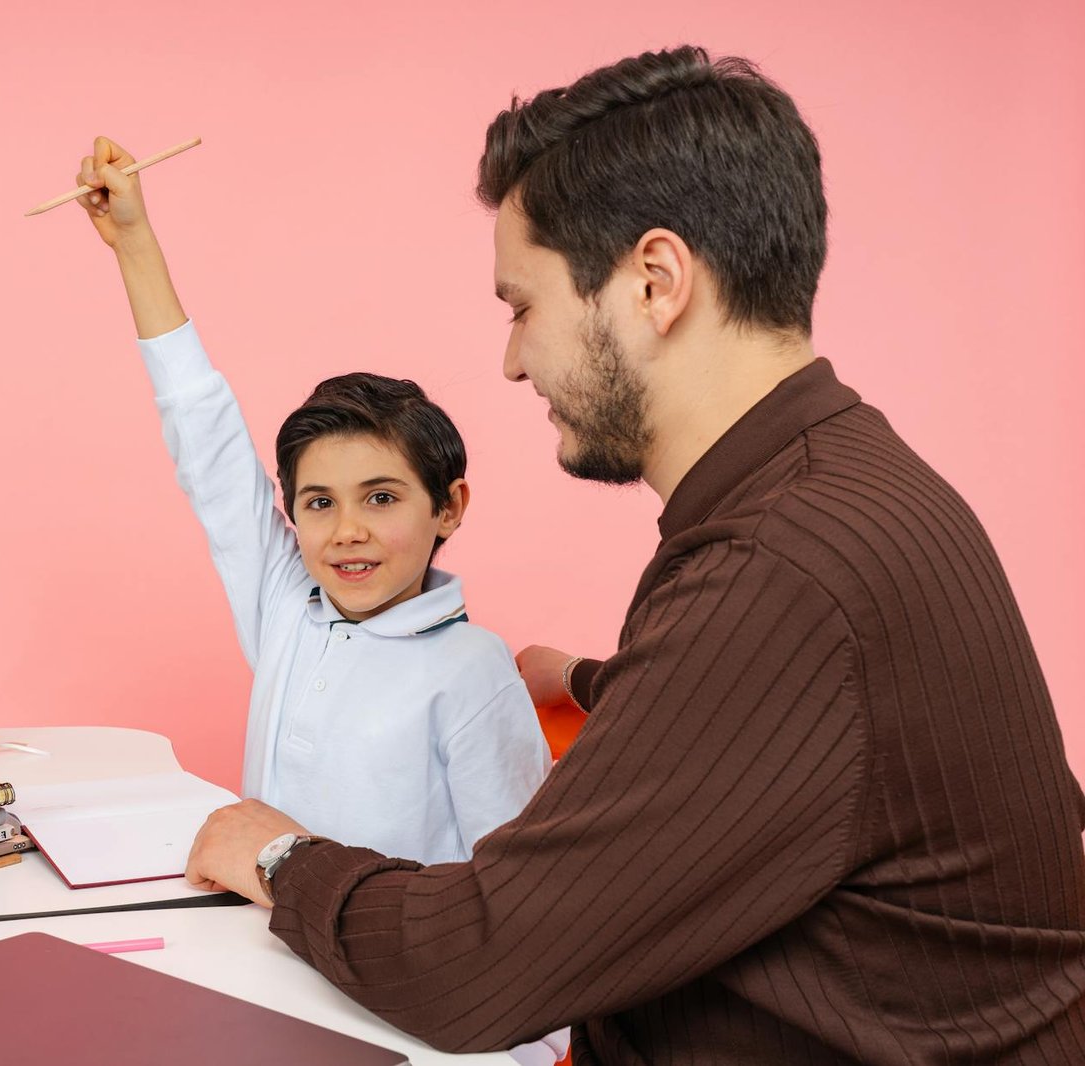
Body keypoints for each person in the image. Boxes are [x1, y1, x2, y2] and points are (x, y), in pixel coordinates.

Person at [184, 45, 1085, 1063]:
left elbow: (481, 963)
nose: (513, 358)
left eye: (524, 305)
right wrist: (587, 679)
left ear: (654, 281)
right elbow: (814, 737)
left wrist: (279, 853)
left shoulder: (774, 573)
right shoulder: (849, 487)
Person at [68, 139, 551, 868]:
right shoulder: (289, 609)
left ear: (448, 508)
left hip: (387, 972)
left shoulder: (473, 670)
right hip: (257, 948)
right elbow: (208, 444)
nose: (347, 532)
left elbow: (517, 890)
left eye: (381, 498)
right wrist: (133, 240)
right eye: (319, 503)